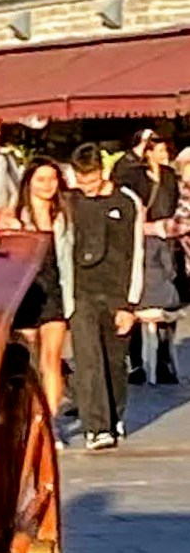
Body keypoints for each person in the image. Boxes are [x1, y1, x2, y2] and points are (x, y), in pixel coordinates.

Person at [57, 138, 142, 451]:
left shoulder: (127, 201)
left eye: (91, 180)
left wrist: (130, 304)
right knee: (88, 359)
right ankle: (97, 427)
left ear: (102, 172)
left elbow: (136, 251)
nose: (86, 186)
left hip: (117, 292)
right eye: (81, 180)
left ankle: (115, 416)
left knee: (115, 362)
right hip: (81, 290)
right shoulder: (71, 201)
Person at [113, 125, 181, 387]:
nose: (164, 154)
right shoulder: (133, 175)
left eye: (166, 149)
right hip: (140, 240)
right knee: (138, 299)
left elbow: (173, 204)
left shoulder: (169, 176)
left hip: (165, 240)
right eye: (160, 149)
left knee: (166, 298)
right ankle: (137, 362)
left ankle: (163, 358)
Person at [18, 154, 71, 428]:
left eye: (52, 179)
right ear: (28, 182)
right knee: (26, 361)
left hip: (55, 291)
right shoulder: (16, 216)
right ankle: (26, 417)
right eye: (41, 179)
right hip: (25, 292)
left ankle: (48, 425)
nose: (48, 185)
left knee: (51, 358)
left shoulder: (65, 215)